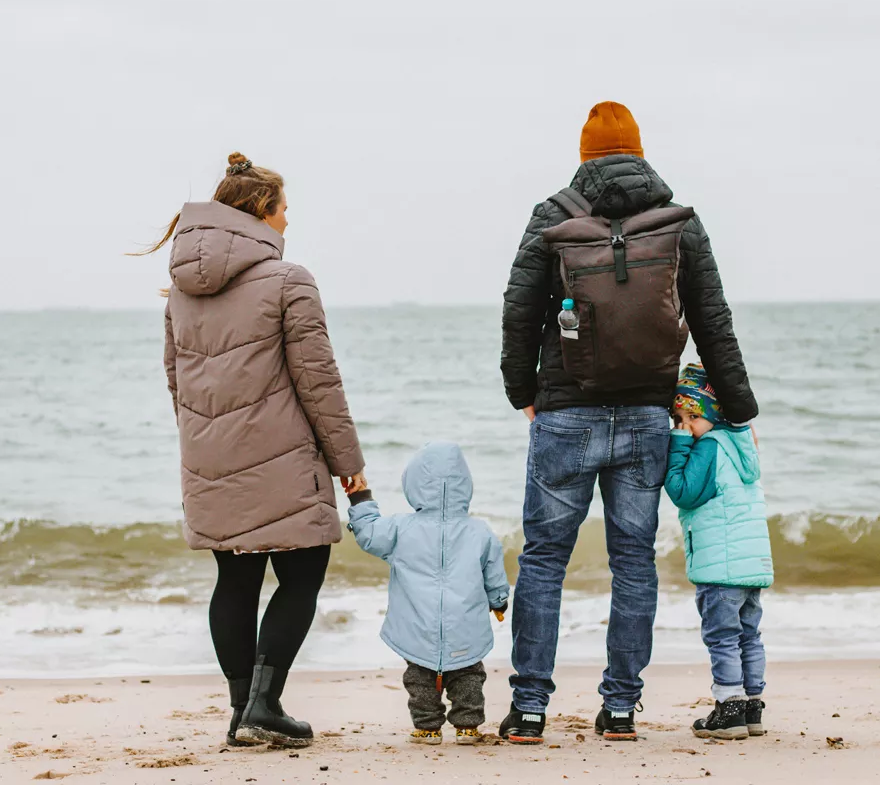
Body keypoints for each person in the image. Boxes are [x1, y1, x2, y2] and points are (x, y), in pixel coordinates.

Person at [498, 102, 759, 744]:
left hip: (564, 411)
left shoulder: (552, 216)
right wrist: (740, 408)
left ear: (585, 156)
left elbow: (519, 310)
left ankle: (530, 709)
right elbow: (711, 319)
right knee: (634, 561)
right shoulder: (677, 224)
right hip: (647, 413)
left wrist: (521, 392)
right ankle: (620, 709)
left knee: (544, 560)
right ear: (640, 154)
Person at [143, 153, 366, 748]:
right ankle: (264, 704)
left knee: (234, 579)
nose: (289, 222)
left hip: (209, 455)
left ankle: (243, 709)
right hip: (285, 455)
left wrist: (203, 445)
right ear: (260, 214)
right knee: (303, 570)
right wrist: (351, 468)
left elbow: (176, 381)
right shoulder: (290, 280)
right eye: (284, 209)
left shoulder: (181, 293)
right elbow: (319, 382)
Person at [346, 442, 510, 746]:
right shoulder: (480, 531)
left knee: (419, 677)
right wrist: (499, 600)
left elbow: (368, 534)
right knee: (469, 676)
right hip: (466, 627)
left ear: (414, 484)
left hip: (416, 626)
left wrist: (361, 496)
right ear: (465, 485)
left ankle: (427, 727)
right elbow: (494, 573)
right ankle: (467, 725)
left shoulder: (400, 528)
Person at [665, 363, 773, 741]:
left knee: (722, 636)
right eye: (677, 418)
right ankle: (751, 706)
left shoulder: (707, 448)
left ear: (712, 413)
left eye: (692, 416)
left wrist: (677, 445)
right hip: (749, 565)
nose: (684, 425)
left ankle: (728, 707)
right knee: (749, 634)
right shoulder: (740, 444)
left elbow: (682, 490)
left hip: (720, 567)